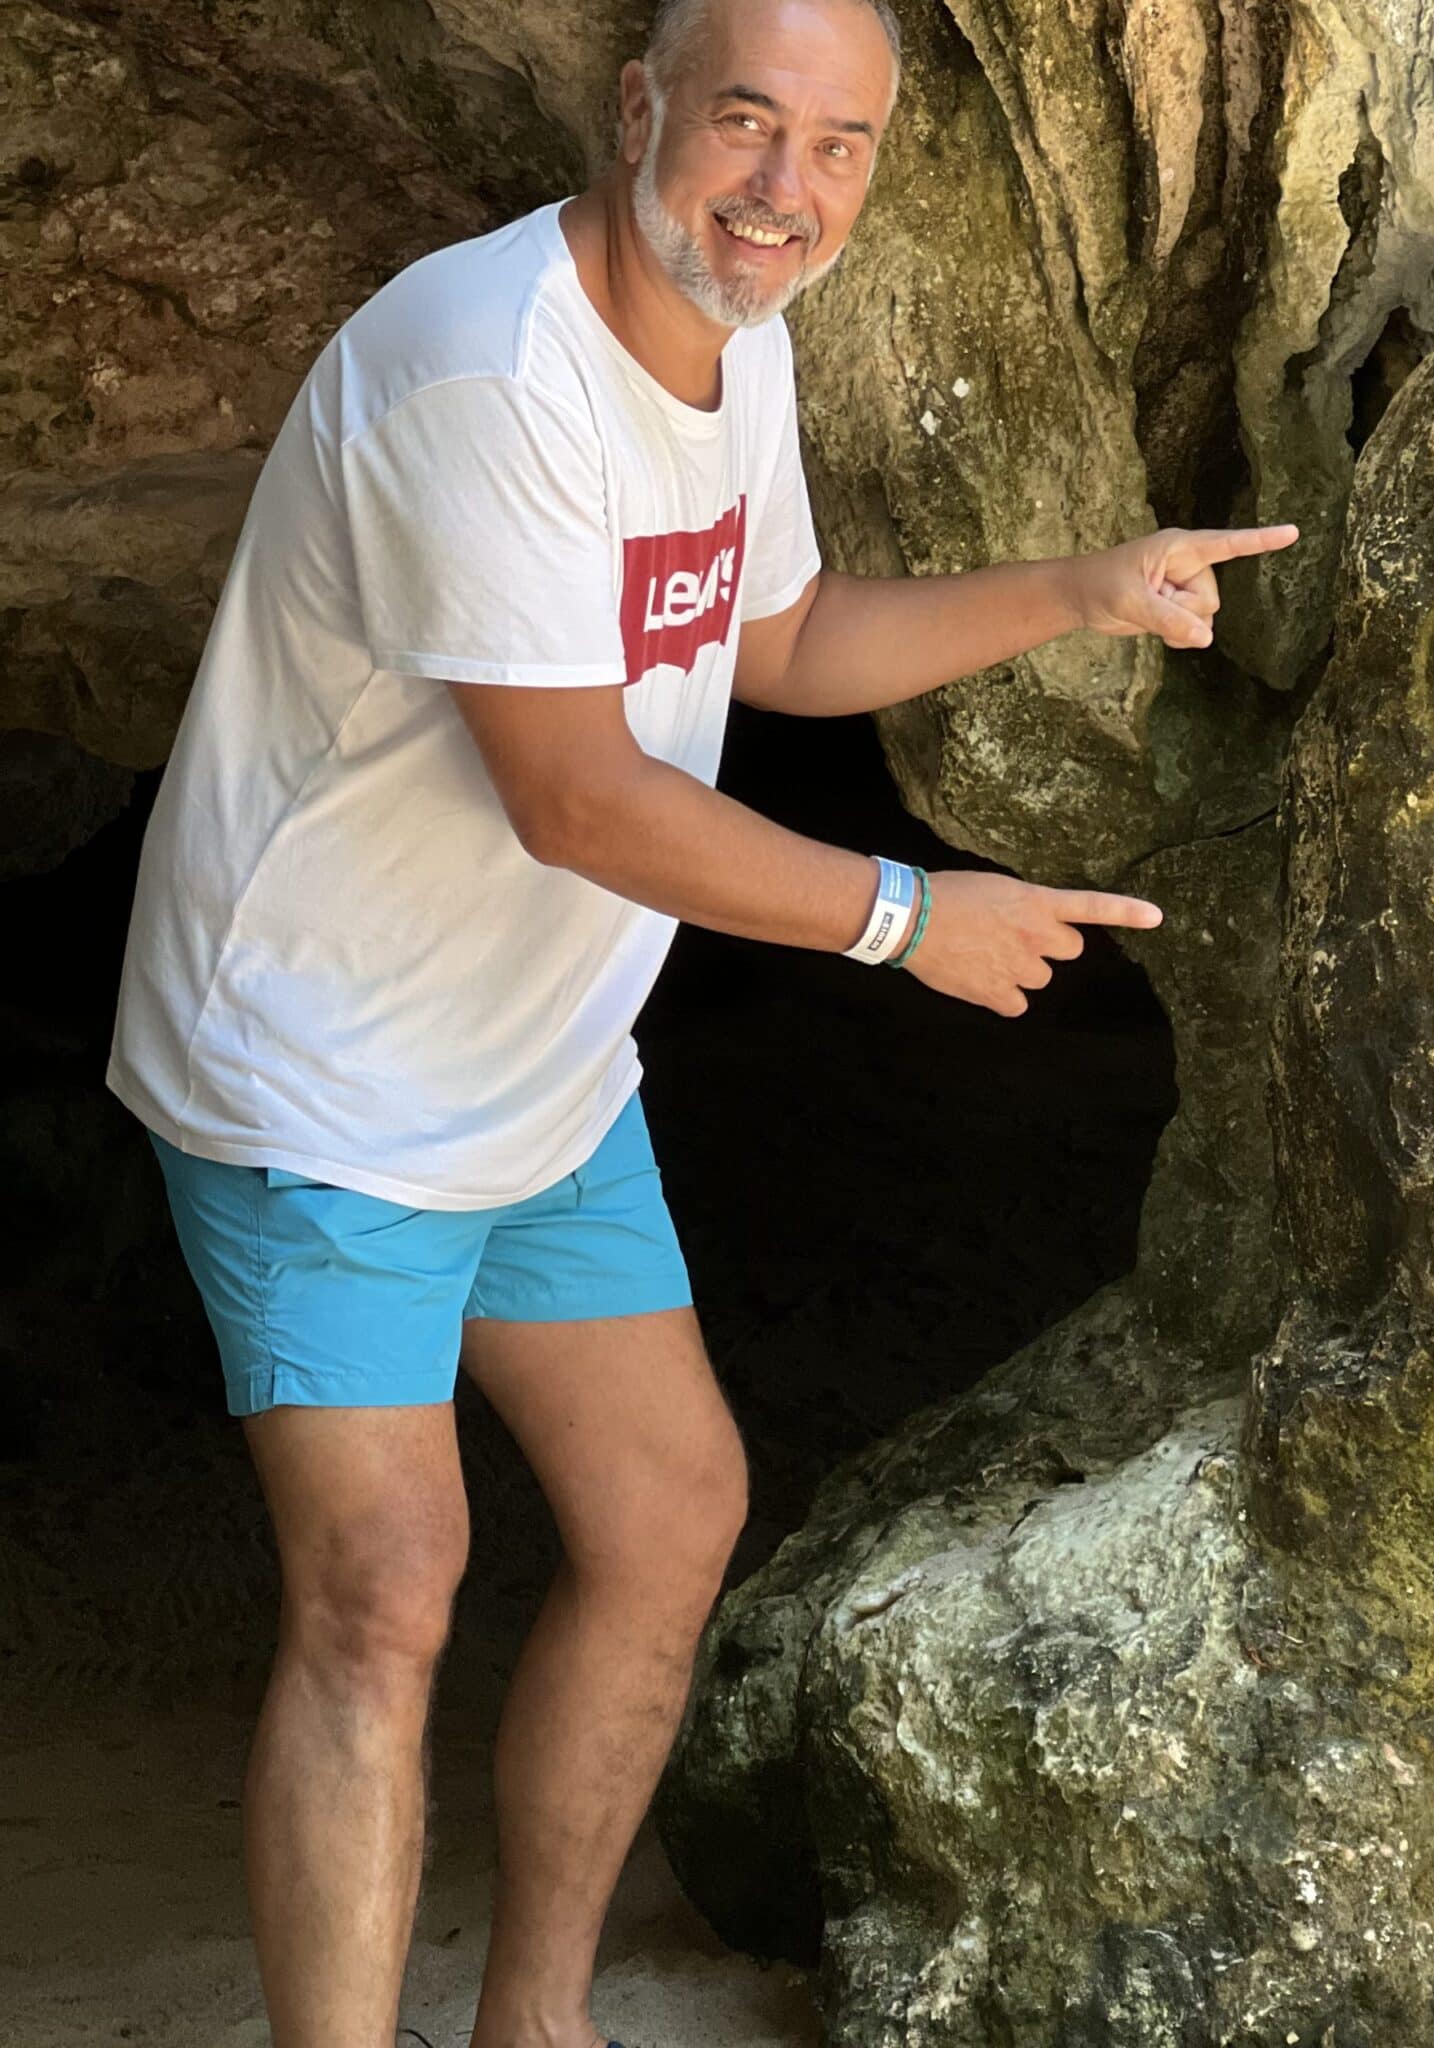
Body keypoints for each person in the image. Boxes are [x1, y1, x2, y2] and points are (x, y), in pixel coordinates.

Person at [105, 0, 1296, 2039]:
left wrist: (1079, 585)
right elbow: (577, 794)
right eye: (749, 121)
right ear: (642, 109)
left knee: (670, 1514)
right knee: (388, 1582)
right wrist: (901, 913)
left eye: (837, 146)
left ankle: (537, 2018)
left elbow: (784, 640)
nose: (785, 187)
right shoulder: (482, 372)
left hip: (535, 1054)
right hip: (315, 1063)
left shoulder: (734, 346)